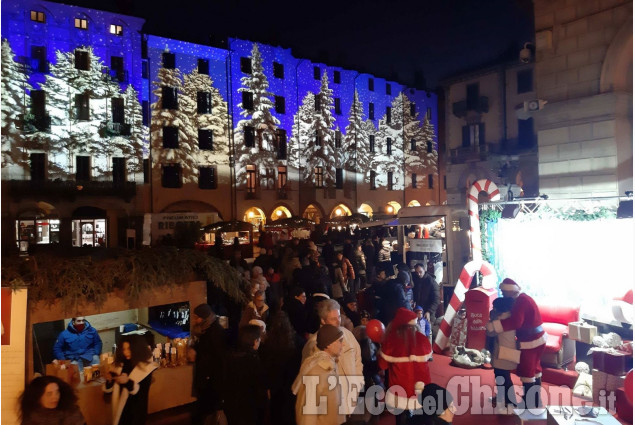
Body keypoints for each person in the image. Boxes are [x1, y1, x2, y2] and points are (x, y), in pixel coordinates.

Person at [486, 278, 546, 410]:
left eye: (503, 291)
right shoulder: (522, 299)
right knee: (534, 371)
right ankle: (535, 401)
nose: (502, 293)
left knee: (528, 372)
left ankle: (530, 403)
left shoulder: (521, 301)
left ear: (510, 291)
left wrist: (494, 326)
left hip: (531, 341)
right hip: (536, 339)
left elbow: (516, 322)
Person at [301, 299, 364, 417]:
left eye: (339, 317)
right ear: (323, 320)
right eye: (333, 319)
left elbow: (357, 360)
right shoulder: (313, 344)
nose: (338, 322)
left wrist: (357, 382)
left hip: (350, 400)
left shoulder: (348, 335)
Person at [377, 308, 432, 424]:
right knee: (419, 418)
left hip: (400, 389)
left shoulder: (392, 340)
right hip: (421, 387)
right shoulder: (422, 339)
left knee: (400, 418)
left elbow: (382, 365)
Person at [292, 324, 346, 425]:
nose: (343, 345)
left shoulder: (329, 365)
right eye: (340, 341)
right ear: (329, 344)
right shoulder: (316, 372)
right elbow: (307, 415)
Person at [103, 334, 158, 425]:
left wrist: (128, 382)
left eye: (129, 349)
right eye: (124, 349)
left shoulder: (146, 368)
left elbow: (142, 395)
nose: (126, 352)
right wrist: (109, 381)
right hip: (119, 412)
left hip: (135, 413)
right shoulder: (118, 365)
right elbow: (108, 392)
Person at [188, 304, 227, 425]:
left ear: (205, 316)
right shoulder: (202, 329)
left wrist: (198, 354)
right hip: (204, 376)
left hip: (210, 378)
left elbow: (217, 356)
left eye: (197, 317)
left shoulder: (216, 332)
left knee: (205, 410)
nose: (195, 320)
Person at [223, 324, 268, 425]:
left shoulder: (231, 355)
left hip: (232, 407)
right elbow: (259, 388)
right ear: (255, 341)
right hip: (249, 409)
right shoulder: (253, 360)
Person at [486, 297, 519, 414]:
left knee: (503, 378)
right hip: (508, 351)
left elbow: (489, 331)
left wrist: (491, 318)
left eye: (494, 307)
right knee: (503, 377)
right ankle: (501, 399)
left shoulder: (499, 321)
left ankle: (511, 403)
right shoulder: (511, 318)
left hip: (502, 353)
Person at [19, 375, 85, 425]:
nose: (55, 397)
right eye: (49, 394)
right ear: (38, 397)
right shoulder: (30, 417)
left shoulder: (71, 412)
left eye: (57, 392)